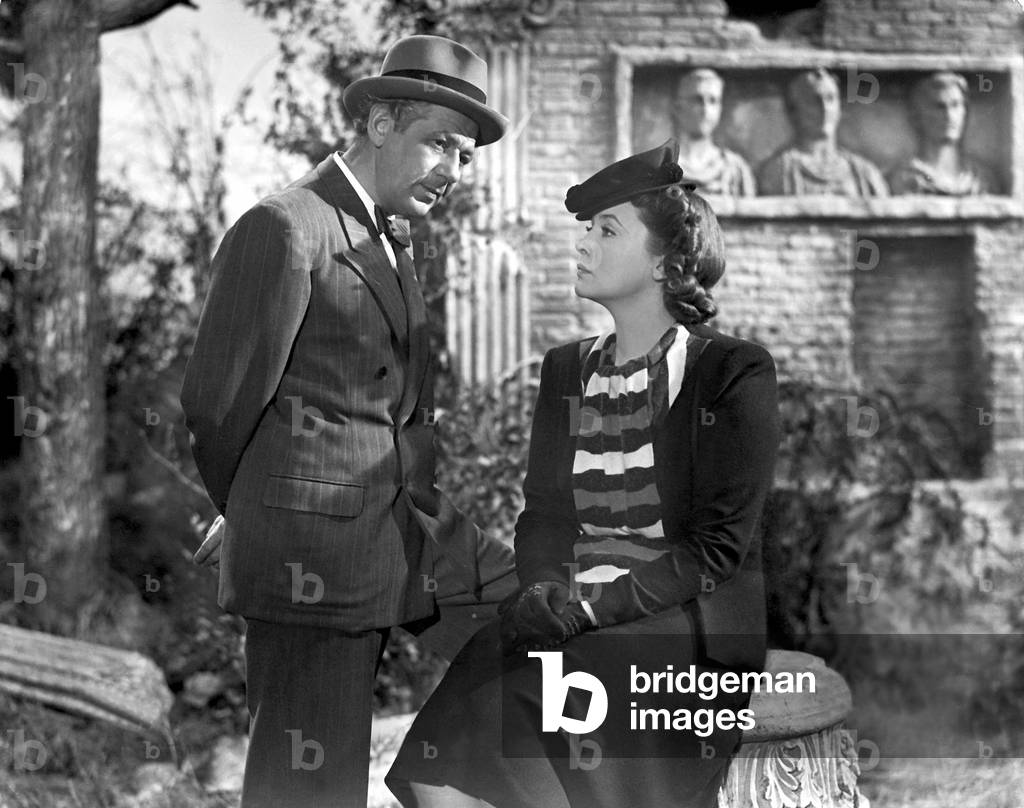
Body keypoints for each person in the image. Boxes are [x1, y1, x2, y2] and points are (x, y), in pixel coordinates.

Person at [387, 139, 780, 808]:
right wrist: (543, 592)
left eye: (607, 230)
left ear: (662, 262)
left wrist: (587, 612)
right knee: (462, 712)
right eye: (586, 231)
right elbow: (545, 516)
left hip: (685, 631)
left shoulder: (732, 372)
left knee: (541, 688)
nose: (584, 246)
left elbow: (714, 553)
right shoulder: (568, 370)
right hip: (577, 615)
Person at [180, 35, 518, 808]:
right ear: (376, 125)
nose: (453, 174)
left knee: (546, 625)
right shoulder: (289, 228)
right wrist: (253, 510)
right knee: (312, 789)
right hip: (315, 562)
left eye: (465, 157)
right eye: (440, 145)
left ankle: (429, 781)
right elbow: (216, 404)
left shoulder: (386, 236)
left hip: (408, 531)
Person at [759, 68, 888, 197]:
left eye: (830, 99)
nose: (825, 108)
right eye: (812, 101)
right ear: (793, 111)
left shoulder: (864, 172)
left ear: (840, 108)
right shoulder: (778, 171)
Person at [889, 71, 1001, 195]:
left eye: (956, 105)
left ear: (965, 112)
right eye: (939, 107)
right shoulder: (905, 178)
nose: (949, 116)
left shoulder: (981, 180)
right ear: (916, 116)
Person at [673, 68, 756, 196]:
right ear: (679, 108)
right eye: (697, 100)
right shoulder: (660, 170)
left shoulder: (735, 170)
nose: (705, 110)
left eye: (713, 101)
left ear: (720, 109)